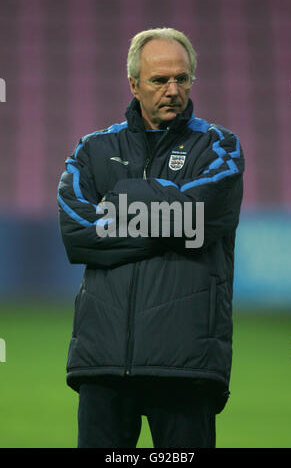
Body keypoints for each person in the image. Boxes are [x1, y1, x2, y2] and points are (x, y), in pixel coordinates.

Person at [57, 27, 244, 448]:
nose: (173, 89)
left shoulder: (219, 148)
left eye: (182, 78)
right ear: (134, 84)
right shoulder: (92, 149)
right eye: (160, 80)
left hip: (185, 363)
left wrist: (122, 197)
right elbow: (77, 234)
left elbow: (199, 218)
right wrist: (170, 225)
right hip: (103, 363)